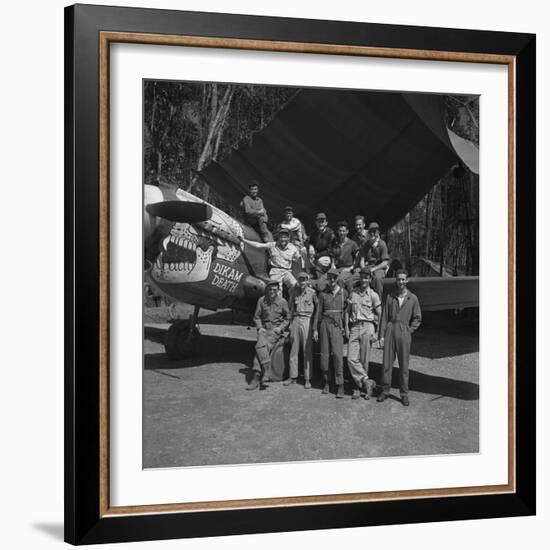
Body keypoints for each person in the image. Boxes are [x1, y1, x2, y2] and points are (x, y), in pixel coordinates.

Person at [377, 269, 422, 406]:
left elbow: (417, 317)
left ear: (407, 280)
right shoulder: (390, 297)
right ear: (396, 281)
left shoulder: (412, 298)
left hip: (404, 331)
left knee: (404, 366)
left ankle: (404, 393)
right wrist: (382, 336)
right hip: (391, 329)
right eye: (398, 279)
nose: (401, 282)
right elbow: (384, 317)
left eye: (403, 279)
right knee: (386, 364)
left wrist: (410, 329)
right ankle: (385, 391)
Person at [247, 280, 290, 390]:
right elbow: (256, 316)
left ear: (278, 290)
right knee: (261, 346)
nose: (272, 291)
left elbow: (288, 318)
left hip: (274, 331)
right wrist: (259, 327)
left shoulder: (282, 302)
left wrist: (280, 328)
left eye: (274, 290)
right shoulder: (261, 300)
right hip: (264, 330)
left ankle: (256, 376)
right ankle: (266, 370)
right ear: (267, 289)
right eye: (270, 289)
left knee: (259, 346)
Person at [346, 268, 381, 400]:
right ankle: (367, 381)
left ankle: (360, 388)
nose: (364, 280)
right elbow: (347, 312)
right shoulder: (353, 293)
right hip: (355, 327)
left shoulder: (373, 295)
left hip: (368, 326)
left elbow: (380, 313)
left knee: (364, 360)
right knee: (351, 358)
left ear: (370, 279)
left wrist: (377, 332)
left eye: (367, 277)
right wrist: (346, 327)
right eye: (362, 277)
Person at [314, 268, 348, 398]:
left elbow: (348, 311)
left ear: (338, 278)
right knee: (324, 355)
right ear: (327, 279)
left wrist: (346, 327)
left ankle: (340, 385)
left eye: (334, 278)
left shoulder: (344, 293)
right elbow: (318, 313)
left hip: (337, 325)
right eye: (330, 278)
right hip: (324, 325)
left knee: (338, 356)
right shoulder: (323, 294)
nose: (332, 280)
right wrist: (315, 329)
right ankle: (327, 382)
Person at [284, 271, 318, 389]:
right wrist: (289, 324)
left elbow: (318, 309)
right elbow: (290, 308)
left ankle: (307, 378)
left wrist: (315, 327)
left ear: (307, 280)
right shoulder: (294, 292)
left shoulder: (312, 293)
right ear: (297, 281)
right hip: (296, 319)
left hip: (307, 320)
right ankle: (293, 376)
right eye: (300, 280)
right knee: (294, 349)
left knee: (307, 350)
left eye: (304, 280)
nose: (302, 282)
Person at [356, 222, 390, 300]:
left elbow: (385, 262)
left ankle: (378, 303)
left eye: (374, 232)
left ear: (378, 232)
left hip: (378, 268)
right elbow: (362, 260)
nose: (372, 234)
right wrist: (364, 270)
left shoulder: (382, 244)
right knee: (354, 278)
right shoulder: (366, 244)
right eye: (370, 232)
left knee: (377, 279)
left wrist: (374, 269)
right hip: (367, 267)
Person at [332, 220, 359, 291]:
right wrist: (332, 265)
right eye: (340, 231)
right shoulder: (335, 243)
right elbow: (333, 256)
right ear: (337, 231)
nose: (342, 233)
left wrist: (351, 267)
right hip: (337, 269)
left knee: (339, 280)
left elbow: (358, 257)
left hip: (347, 270)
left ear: (347, 232)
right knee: (324, 280)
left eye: (343, 231)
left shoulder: (352, 244)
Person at [308, 212, 336, 277]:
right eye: (319, 222)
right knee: (303, 250)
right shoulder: (314, 233)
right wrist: (310, 246)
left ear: (326, 223)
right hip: (316, 255)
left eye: (322, 222)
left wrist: (316, 256)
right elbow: (308, 241)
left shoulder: (331, 234)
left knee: (321, 261)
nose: (321, 224)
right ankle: (309, 271)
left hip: (326, 256)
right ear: (316, 223)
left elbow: (330, 250)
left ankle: (322, 277)